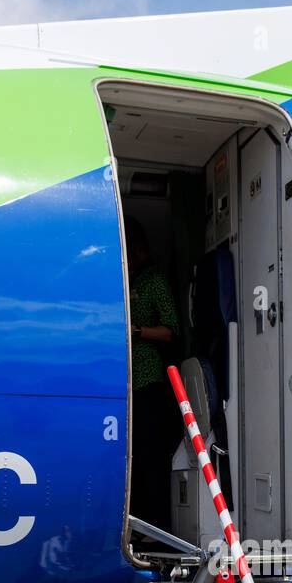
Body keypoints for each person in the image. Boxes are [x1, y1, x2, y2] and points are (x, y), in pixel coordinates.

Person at [125, 216, 181, 540]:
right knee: (134, 458)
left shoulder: (153, 281)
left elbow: (171, 330)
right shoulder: (126, 282)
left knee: (151, 458)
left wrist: (137, 331)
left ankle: (158, 528)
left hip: (149, 379)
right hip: (130, 385)